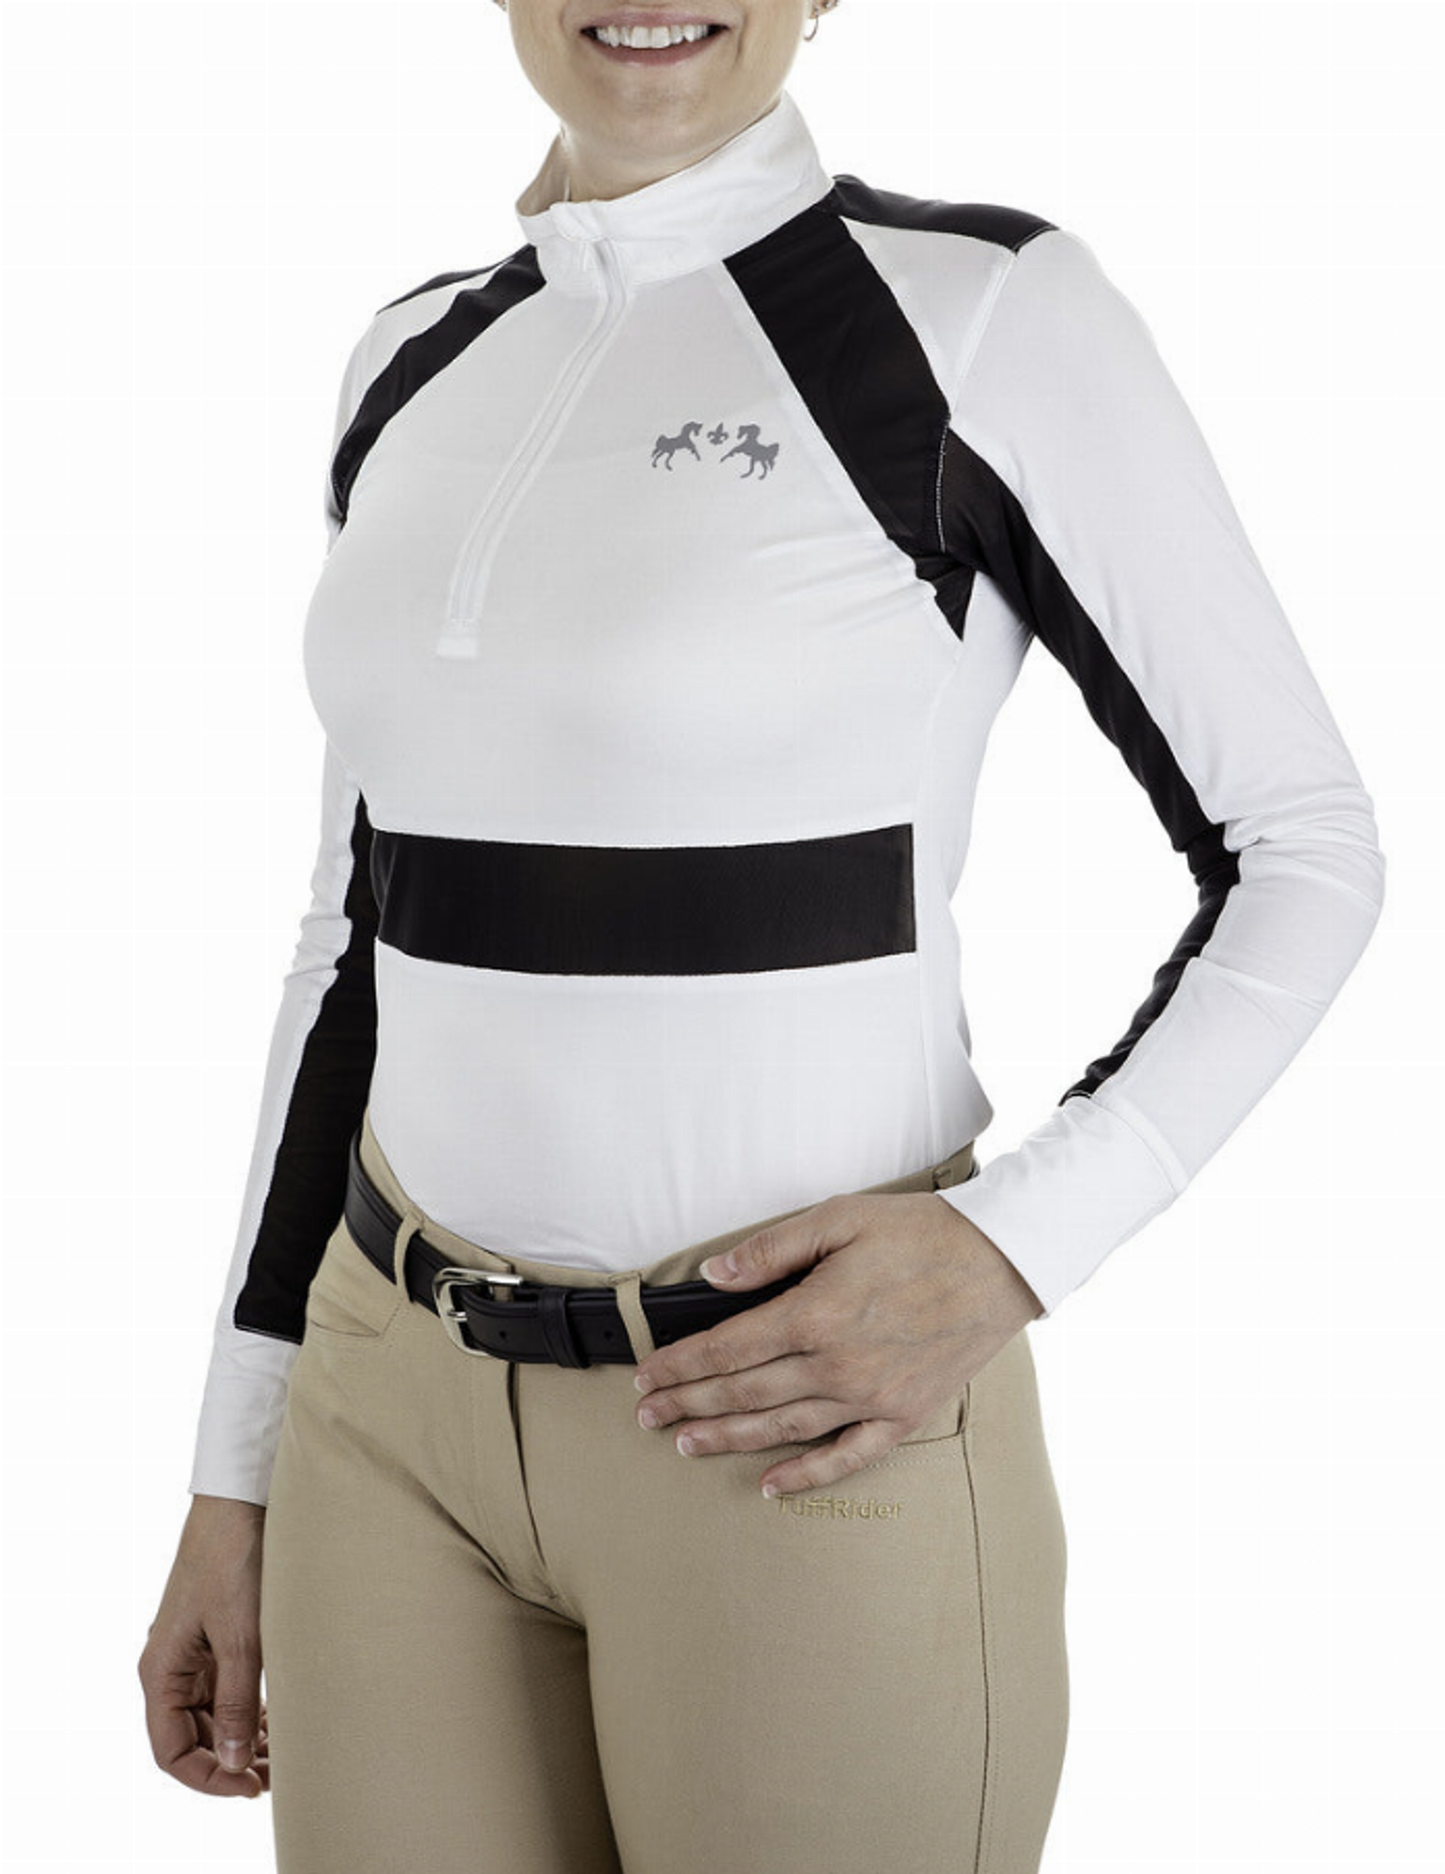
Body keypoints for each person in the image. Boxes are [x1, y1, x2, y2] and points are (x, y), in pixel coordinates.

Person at [137, 3, 1386, 1870]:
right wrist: (234, 1461)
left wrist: (1016, 1244)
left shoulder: (979, 313)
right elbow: (350, 942)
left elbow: (1302, 844)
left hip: (798, 1421)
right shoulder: (408, 360)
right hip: (384, 1416)